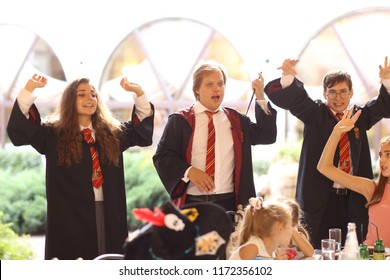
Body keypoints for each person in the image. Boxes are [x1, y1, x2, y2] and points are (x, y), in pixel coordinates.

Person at [7, 74, 154, 259]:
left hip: (108, 211)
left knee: (108, 259)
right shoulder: (53, 135)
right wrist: (28, 90)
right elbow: (21, 131)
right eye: (81, 94)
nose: (89, 98)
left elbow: (140, 129)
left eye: (93, 94)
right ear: (70, 100)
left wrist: (139, 93)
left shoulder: (111, 134)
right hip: (70, 217)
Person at [264, 57, 390, 249]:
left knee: (353, 248)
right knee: (316, 248)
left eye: (343, 92)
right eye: (332, 92)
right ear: (324, 94)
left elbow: (384, 104)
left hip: (353, 198)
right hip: (319, 198)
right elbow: (296, 99)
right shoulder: (314, 113)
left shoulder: (359, 116)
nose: (338, 97)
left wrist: (387, 81)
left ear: (351, 93)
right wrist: (287, 76)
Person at [153, 62, 277, 213]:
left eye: (220, 83)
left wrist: (260, 96)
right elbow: (162, 157)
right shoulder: (180, 121)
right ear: (197, 89)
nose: (216, 88)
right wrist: (189, 171)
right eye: (209, 84)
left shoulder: (237, 121)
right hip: (192, 203)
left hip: (230, 205)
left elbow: (267, 135)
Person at [317, 109, 390, 247]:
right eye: (381, 155)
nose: (382, 160)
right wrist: (337, 132)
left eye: (388, 154)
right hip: (370, 258)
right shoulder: (372, 189)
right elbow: (324, 167)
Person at [228, 197, 293, 260]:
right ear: (280, 228)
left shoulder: (270, 249)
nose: (292, 231)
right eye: (290, 226)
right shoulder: (253, 248)